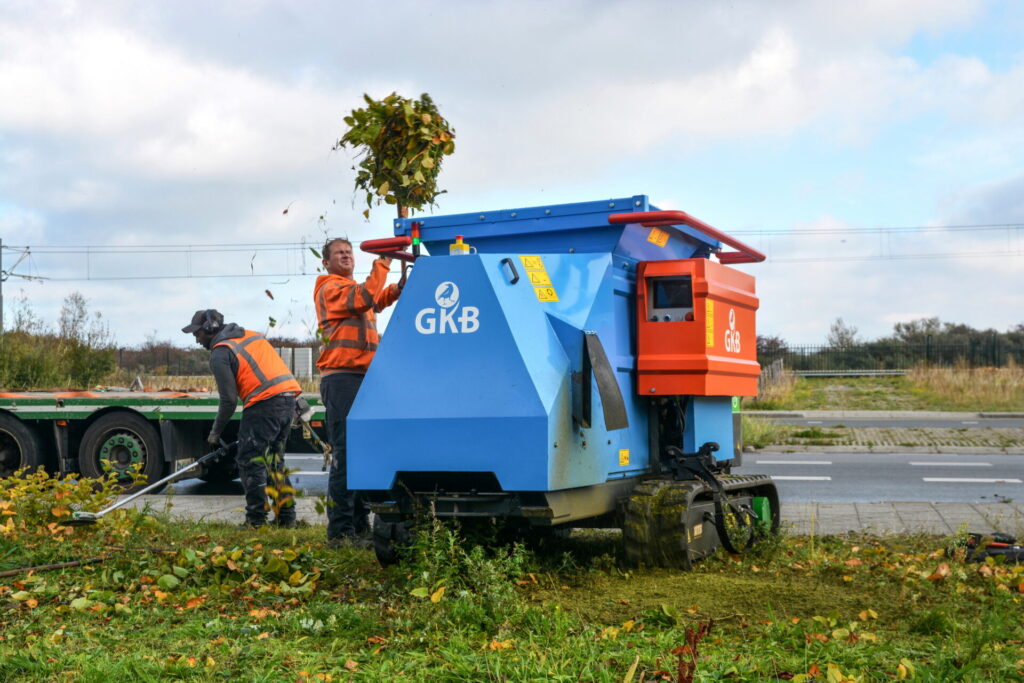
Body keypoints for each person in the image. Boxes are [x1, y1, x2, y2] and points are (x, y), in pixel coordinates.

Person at [314, 238, 404, 546]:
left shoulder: (352, 290)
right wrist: (385, 261)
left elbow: (375, 300)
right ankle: (340, 532)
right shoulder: (329, 287)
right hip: (342, 378)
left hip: (362, 377)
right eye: (339, 253)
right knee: (346, 453)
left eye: (348, 252)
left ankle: (358, 524)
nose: (346, 256)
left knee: (362, 453)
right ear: (326, 262)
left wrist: (397, 288)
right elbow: (366, 297)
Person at [182, 309, 302, 528]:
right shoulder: (250, 336)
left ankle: (256, 520)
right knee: (273, 461)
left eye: (197, 333)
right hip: (288, 401)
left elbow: (229, 400)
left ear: (210, 328)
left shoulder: (220, 352)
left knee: (249, 461)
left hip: (263, 404)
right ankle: (287, 517)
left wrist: (215, 433)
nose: (197, 339)